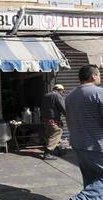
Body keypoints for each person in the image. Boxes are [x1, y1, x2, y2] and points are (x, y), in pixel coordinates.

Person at [65, 64, 103, 199]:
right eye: (99, 74)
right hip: (97, 145)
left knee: (91, 180)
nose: (100, 77)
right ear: (93, 76)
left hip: (78, 144)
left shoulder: (70, 96)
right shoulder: (99, 93)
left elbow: (68, 120)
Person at [40, 84, 66, 160]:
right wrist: (68, 115)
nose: (62, 93)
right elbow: (63, 108)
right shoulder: (57, 95)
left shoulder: (46, 95)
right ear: (59, 90)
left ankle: (59, 150)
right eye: (62, 91)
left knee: (50, 135)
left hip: (45, 120)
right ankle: (47, 153)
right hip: (53, 120)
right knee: (57, 132)